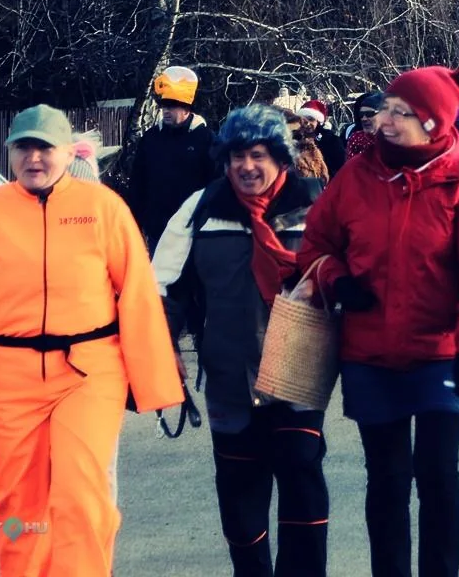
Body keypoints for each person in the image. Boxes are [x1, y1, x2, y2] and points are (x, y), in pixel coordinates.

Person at [0, 105, 183, 577]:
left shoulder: (103, 209)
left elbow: (137, 293)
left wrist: (153, 381)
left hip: (87, 371)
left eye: (45, 147)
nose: (34, 157)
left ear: (65, 151)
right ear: (11, 152)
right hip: (8, 375)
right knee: (21, 509)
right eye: (24, 147)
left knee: (82, 496)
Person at [298, 66, 459, 577]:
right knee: (388, 481)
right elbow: (316, 245)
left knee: (436, 474)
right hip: (370, 356)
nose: (385, 121)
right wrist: (337, 278)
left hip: (441, 353)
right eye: (386, 108)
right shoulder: (356, 175)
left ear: (434, 126)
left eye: (401, 113)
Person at [153, 105, 330, 577]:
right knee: (239, 497)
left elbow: (354, 276)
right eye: (236, 156)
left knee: (301, 480)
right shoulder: (201, 209)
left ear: (280, 157)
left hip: (297, 371)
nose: (246, 166)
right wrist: (164, 347)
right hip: (230, 374)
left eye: (257, 154)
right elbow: (165, 286)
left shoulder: (317, 203)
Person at [128, 65, 217, 254]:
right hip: (158, 232)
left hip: (194, 231)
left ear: (186, 108)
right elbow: (138, 183)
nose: (166, 111)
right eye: (164, 106)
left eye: (172, 106)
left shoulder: (206, 139)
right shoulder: (151, 139)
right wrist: (135, 222)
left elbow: (216, 185)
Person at [299, 100, 347, 178]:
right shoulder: (295, 138)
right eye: (304, 120)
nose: (307, 124)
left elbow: (340, 166)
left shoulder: (331, 140)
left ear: (318, 121)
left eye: (311, 119)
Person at [347, 92, 387, 160]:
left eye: (369, 113)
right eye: (361, 114)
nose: (364, 118)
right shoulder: (356, 140)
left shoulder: (398, 140)